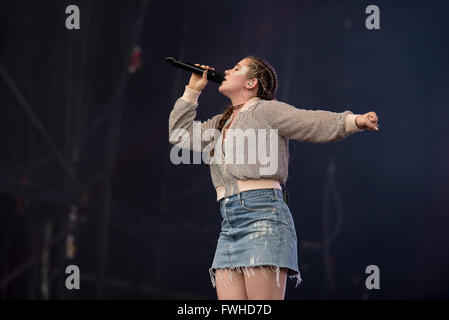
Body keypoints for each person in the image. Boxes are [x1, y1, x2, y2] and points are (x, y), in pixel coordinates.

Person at [168, 56, 379, 300]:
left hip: (263, 215)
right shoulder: (220, 123)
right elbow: (179, 135)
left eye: (236, 69)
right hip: (229, 222)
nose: (226, 70)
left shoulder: (266, 110)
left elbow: (309, 121)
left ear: (251, 83)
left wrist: (354, 121)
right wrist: (192, 90)